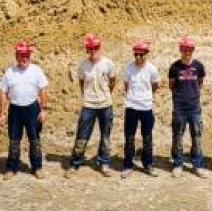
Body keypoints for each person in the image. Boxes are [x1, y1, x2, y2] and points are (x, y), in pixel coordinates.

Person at [66, 33, 118, 177]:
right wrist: (88, 96)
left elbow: (112, 81)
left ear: (99, 47)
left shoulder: (108, 63)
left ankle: (104, 163)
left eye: (95, 48)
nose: (93, 51)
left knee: (105, 136)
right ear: (87, 49)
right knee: (82, 135)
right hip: (89, 105)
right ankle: (75, 163)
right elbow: (81, 83)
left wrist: (105, 94)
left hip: (105, 104)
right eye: (90, 48)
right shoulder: (83, 65)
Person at [0, 40, 49, 180]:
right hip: (15, 110)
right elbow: (3, 93)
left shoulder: (36, 70)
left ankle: (37, 167)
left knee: (34, 140)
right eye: (21, 55)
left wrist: (43, 110)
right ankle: (11, 168)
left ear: (30, 55)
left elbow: (43, 89)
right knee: (14, 140)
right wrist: (2, 113)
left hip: (32, 109)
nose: (24, 57)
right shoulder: (9, 72)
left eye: (27, 54)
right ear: (17, 56)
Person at [121, 39, 161, 178]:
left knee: (147, 137)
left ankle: (148, 164)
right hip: (131, 106)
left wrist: (146, 97)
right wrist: (133, 97)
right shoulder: (129, 68)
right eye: (136, 54)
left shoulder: (152, 69)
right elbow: (126, 85)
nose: (138, 57)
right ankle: (128, 165)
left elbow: (155, 85)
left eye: (141, 54)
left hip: (146, 107)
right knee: (130, 137)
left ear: (146, 54)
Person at [168, 35, 207, 177]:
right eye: (185, 50)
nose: (187, 52)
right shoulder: (174, 67)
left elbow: (200, 83)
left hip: (195, 108)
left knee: (196, 136)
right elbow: (171, 85)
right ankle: (178, 164)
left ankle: (197, 164)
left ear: (193, 50)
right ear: (180, 50)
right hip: (180, 108)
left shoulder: (199, 66)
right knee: (178, 136)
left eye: (190, 50)